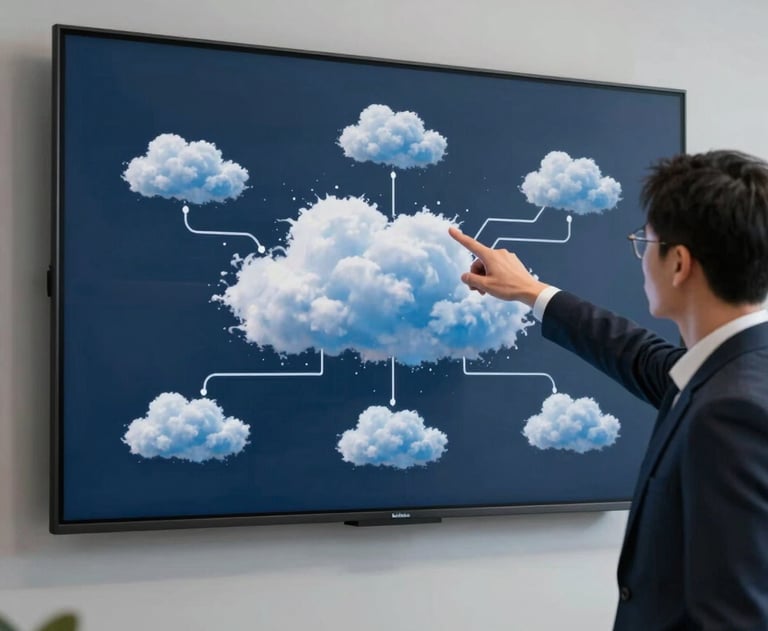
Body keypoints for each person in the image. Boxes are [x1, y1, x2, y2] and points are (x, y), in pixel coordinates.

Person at [449, 149, 768, 630]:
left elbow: (735, 615)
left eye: (646, 242)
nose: (642, 258)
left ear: (678, 263)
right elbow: (638, 354)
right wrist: (533, 292)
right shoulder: (733, 371)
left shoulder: (730, 411)